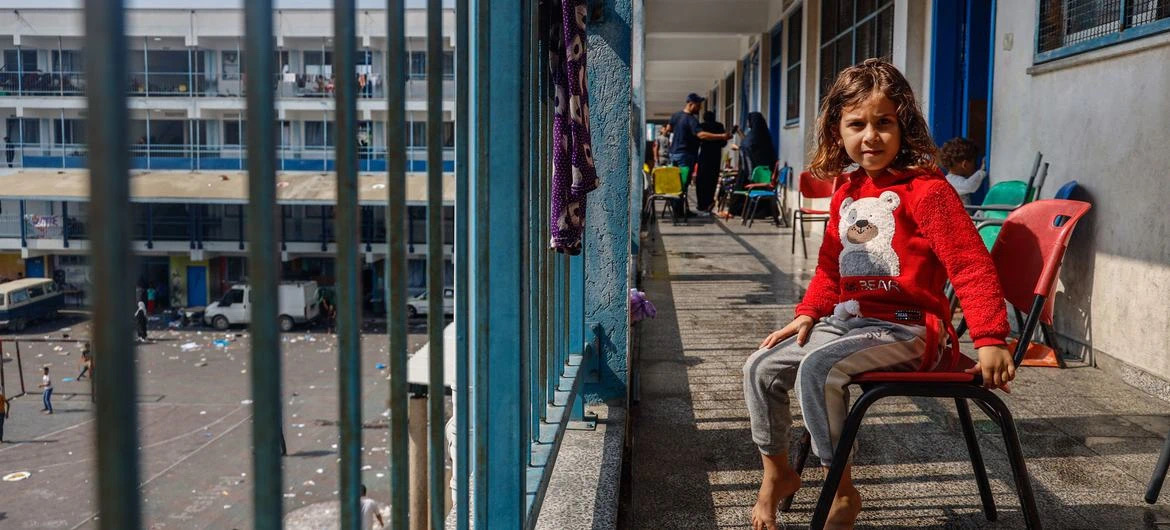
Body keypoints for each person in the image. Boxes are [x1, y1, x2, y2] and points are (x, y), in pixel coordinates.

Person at [742, 59, 1014, 530]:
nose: (871, 136)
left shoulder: (927, 190)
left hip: (911, 328)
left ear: (903, 126)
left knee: (818, 369)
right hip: (851, 323)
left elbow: (970, 264)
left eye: (884, 122)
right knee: (760, 367)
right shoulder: (846, 190)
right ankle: (777, 474)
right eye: (857, 124)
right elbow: (831, 267)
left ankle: (842, 492)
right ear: (837, 130)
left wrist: (990, 337)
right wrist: (808, 312)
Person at [668, 93, 734, 215]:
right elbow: (701, 135)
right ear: (691, 104)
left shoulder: (676, 116)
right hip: (686, 154)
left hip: (674, 153)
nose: (700, 108)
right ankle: (680, 211)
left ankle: (678, 209)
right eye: (698, 105)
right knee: (683, 183)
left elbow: (668, 129)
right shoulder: (691, 120)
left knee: (676, 182)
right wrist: (722, 136)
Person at [695, 111, 729, 215]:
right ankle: (710, 202)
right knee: (712, 180)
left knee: (701, 180)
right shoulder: (719, 126)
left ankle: (701, 204)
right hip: (715, 157)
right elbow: (723, 143)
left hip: (704, 156)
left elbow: (697, 140)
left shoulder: (701, 126)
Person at [939, 137, 987, 204]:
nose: (976, 166)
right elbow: (970, 186)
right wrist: (982, 171)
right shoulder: (951, 181)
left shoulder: (950, 179)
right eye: (974, 163)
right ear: (965, 164)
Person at [739, 111, 778, 176]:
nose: (747, 123)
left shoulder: (754, 136)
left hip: (757, 172)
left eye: (748, 120)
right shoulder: (764, 133)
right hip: (768, 169)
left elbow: (747, 147)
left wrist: (739, 148)